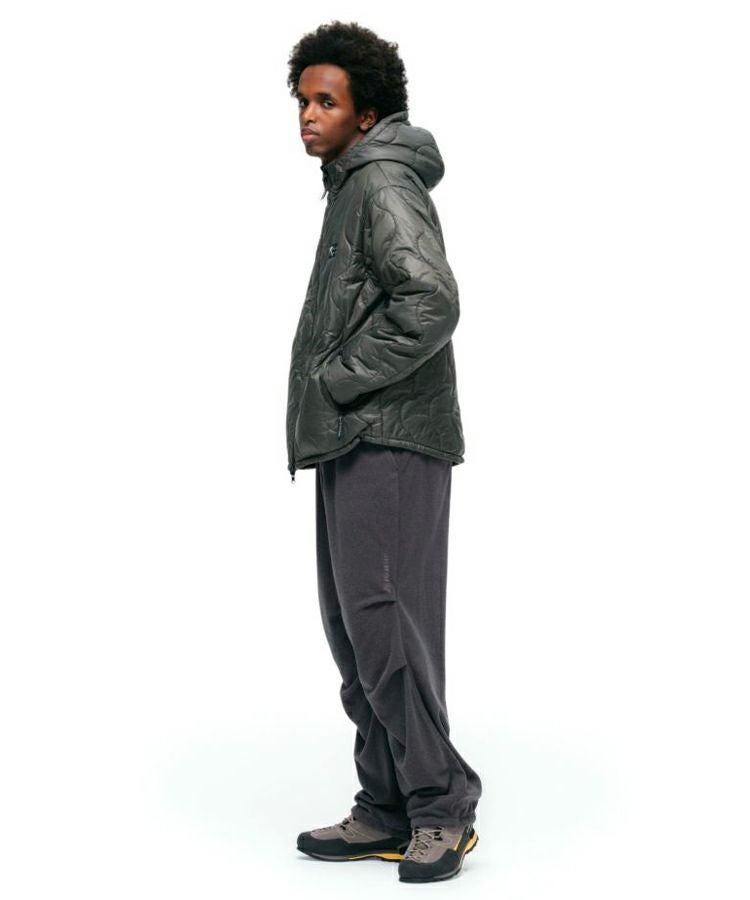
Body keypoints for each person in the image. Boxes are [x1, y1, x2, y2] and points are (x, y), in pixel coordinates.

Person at [285, 21, 482, 883]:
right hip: (353, 436)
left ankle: (441, 808)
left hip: (390, 434)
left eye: (325, 101)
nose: (308, 115)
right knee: (355, 630)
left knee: (386, 623)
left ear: (366, 113)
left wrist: (337, 379)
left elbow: (430, 299)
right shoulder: (351, 184)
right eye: (302, 101)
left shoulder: (381, 182)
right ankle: (388, 805)